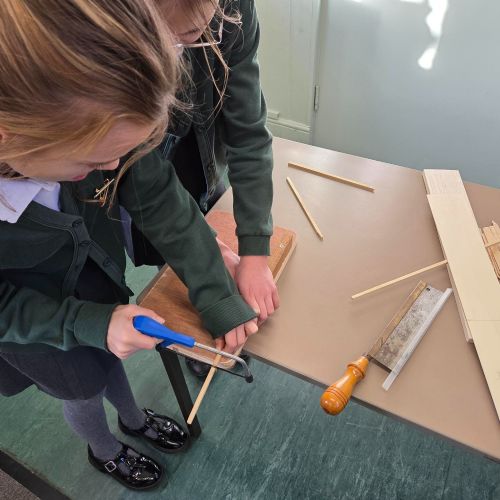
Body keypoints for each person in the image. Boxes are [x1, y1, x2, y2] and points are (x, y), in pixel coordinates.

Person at [0, 0, 257, 491]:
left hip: (92, 279)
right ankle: (104, 449)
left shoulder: (83, 122)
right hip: (34, 326)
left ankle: (133, 419)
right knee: (82, 385)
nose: (112, 169)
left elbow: (156, 192)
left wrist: (215, 290)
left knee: (112, 356)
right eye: (93, 162)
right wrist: (87, 323)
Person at [131, 0, 279, 376]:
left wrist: (255, 252)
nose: (202, 25)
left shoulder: (232, 10)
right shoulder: (112, 35)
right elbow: (147, 185)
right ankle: (197, 344)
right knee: (171, 259)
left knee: (207, 211)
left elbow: (248, 133)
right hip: (146, 168)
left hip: (202, 150)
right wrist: (212, 288)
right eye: (181, 31)